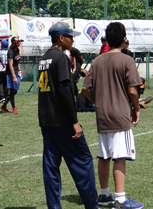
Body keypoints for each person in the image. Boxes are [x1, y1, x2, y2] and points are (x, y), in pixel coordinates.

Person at [82, 22, 144, 209]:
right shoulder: (127, 60)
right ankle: (121, 199)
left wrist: (96, 102)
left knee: (103, 156)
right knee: (119, 156)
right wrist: (136, 108)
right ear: (124, 39)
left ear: (107, 40)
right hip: (120, 115)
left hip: (102, 116)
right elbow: (133, 91)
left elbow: (85, 88)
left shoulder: (97, 61)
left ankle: (104, 195)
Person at [37, 22, 99, 209]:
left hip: (46, 121)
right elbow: (65, 90)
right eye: (70, 36)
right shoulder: (61, 58)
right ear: (61, 38)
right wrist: (75, 121)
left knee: (51, 167)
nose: (73, 40)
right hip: (63, 121)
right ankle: (92, 205)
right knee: (83, 160)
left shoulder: (44, 58)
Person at [0, 36, 23, 114]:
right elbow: (10, 65)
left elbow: (18, 61)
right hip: (10, 73)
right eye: (18, 42)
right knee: (12, 91)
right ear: (14, 43)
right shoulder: (10, 52)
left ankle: (3, 106)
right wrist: (13, 77)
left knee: (14, 91)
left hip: (16, 72)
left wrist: (19, 70)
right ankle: (14, 108)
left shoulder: (17, 50)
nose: (19, 43)